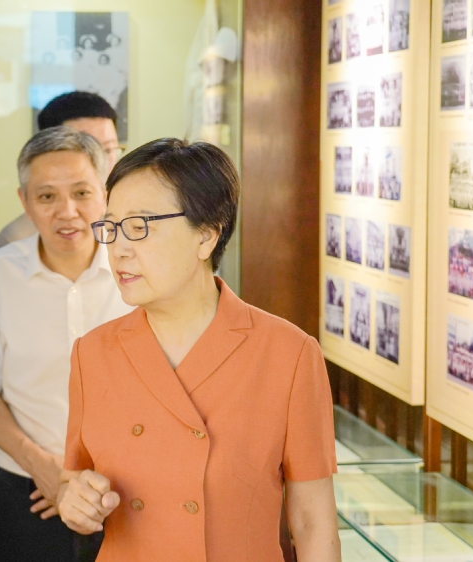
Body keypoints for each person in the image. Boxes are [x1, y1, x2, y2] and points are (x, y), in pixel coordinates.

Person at [57, 138, 340, 561]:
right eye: (111, 228)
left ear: (207, 236)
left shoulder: (288, 354)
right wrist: (75, 504)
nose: (119, 248)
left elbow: (313, 521)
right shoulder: (92, 353)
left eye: (140, 226)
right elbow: (73, 479)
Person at [0, 127, 133, 562]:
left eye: (81, 193)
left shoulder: (138, 272)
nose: (67, 212)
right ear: (25, 202)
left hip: (128, 489)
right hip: (26, 489)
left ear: (105, 193)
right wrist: (45, 469)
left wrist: (85, 482)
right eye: (47, 196)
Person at [0, 91, 124, 252]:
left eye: (108, 150)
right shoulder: (16, 241)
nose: (100, 161)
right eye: (83, 148)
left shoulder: (136, 222)